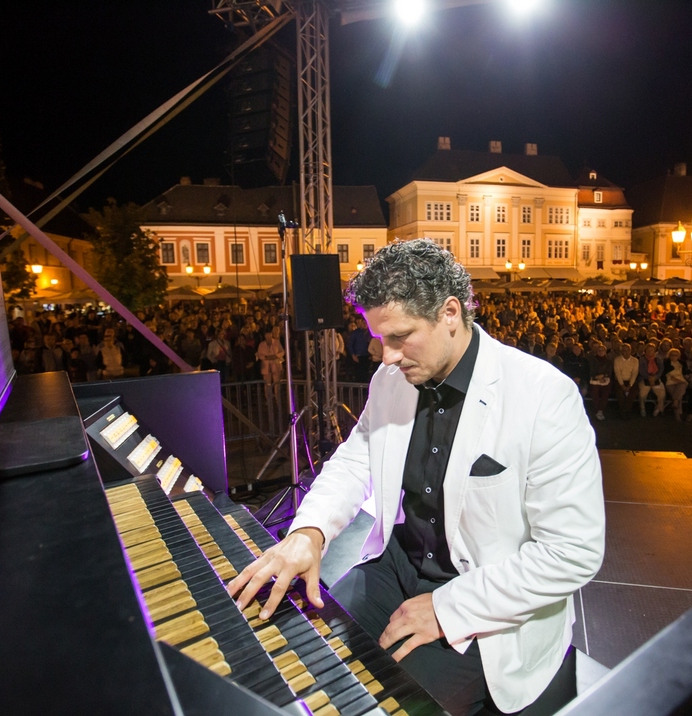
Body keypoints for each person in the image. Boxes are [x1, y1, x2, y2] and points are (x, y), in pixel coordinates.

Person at [227, 240, 604, 716]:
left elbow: (573, 552)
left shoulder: (544, 395)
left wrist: (449, 608)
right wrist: (308, 532)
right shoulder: (391, 380)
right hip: (395, 568)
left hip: (487, 602)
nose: (386, 357)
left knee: (381, 704)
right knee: (301, 656)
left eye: (400, 336)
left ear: (450, 313)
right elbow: (356, 458)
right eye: (379, 339)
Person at [613, 342, 640, 418]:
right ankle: (623, 410)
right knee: (620, 394)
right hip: (620, 381)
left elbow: (634, 373)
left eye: (628, 350)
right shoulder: (617, 360)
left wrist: (630, 385)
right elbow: (617, 373)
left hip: (631, 381)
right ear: (621, 351)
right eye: (624, 350)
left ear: (630, 351)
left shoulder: (635, 360)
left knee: (633, 393)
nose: (626, 352)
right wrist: (622, 385)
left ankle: (627, 410)